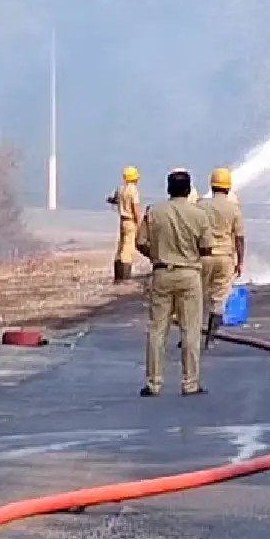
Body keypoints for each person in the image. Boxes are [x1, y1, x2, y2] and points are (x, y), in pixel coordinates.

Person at [135, 169, 212, 396]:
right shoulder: (199, 214)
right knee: (191, 331)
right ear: (188, 190)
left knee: (157, 330)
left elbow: (140, 242)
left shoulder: (154, 212)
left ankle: (153, 383)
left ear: (168, 189)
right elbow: (207, 247)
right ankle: (190, 383)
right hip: (189, 274)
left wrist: (156, 255)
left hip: (161, 274)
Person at [198, 167, 244, 350]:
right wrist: (240, 261)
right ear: (228, 187)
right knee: (219, 299)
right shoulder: (234, 209)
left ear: (212, 185)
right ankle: (210, 339)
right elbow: (239, 237)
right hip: (225, 258)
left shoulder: (201, 205)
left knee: (198, 296)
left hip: (203, 256)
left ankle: (190, 335)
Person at [106, 166, 142, 283]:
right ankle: (125, 277)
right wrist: (139, 223)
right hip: (130, 221)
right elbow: (135, 208)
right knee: (128, 248)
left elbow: (113, 200)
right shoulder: (133, 190)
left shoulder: (121, 189)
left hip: (122, 220)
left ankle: (118, 275)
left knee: (120, 247)